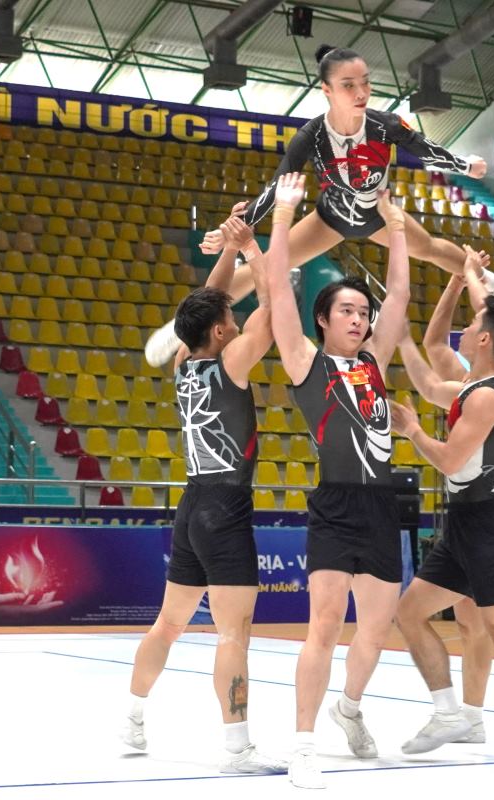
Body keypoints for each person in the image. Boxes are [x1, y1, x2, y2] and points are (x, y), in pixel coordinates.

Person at [143, 44, 494, 367]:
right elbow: (278, 186)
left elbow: (426, 149)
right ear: (326, 89)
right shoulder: (312, 135)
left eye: (365, 82)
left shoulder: (385, 124)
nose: (361, 92)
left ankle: (493, 283)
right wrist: (233, 230)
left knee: (433, 249)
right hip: (329, 217)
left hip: (377, 213)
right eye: (348, 85)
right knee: (269, 263)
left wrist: (465, 165)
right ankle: (183, 325)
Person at [120, 177, 305, 775]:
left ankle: (132, 722)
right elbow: (275, 310)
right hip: (226, 508)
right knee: (233, 635)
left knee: (169, 623)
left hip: (192, 502)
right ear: (223, 331)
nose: (233, 311)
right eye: (230, 315)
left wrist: (227, 247)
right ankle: (237, 748)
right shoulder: (233, 359)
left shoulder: (184, 358)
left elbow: (205, 302)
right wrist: (252, 249)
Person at [266, 176, 411, 789]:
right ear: (323, 320)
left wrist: (397, 229)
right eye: (346, 311)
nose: (358, 318)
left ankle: (348, 706)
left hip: (384, 503)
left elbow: (399, 294)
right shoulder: (306, 362)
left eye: (362, 311)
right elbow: (276, 286)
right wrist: (284, 216)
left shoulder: (375, 362)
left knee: (376, 631)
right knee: (324, 623)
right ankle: (303, 744)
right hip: (335, 504)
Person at [389, 294, 494, 772]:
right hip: (463, 522)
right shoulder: (473, 388)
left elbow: (449, 459)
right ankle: (450, 713)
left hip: (490, 525)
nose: (465, 329)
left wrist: (414, 433)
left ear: (485, 339)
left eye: (473, 322)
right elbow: (426, 384)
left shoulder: (488, 396)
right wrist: (403, 340)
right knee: (409, 612)